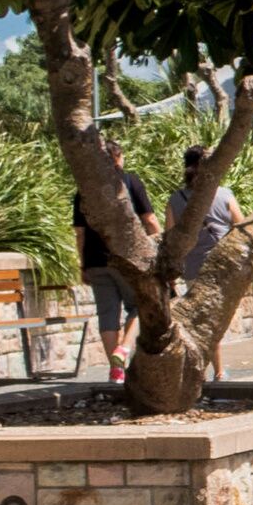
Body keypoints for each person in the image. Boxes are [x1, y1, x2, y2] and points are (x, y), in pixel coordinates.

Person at [78, 156, 158, 385]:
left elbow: (80, 233)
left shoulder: (84, 189)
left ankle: (116, 373)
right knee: (141, 305)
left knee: (107, 316)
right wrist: (156, 250)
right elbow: (149, 219)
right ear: (118, 159)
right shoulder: (130, 182)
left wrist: (83, 263)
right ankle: (123, 350)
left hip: (95, 260)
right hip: (126, 260)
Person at [179, 145, 242, 278]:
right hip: (223, 265)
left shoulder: (175, 199)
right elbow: (242, 226)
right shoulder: (225, 195)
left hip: (192, 268)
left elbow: (171, 239)